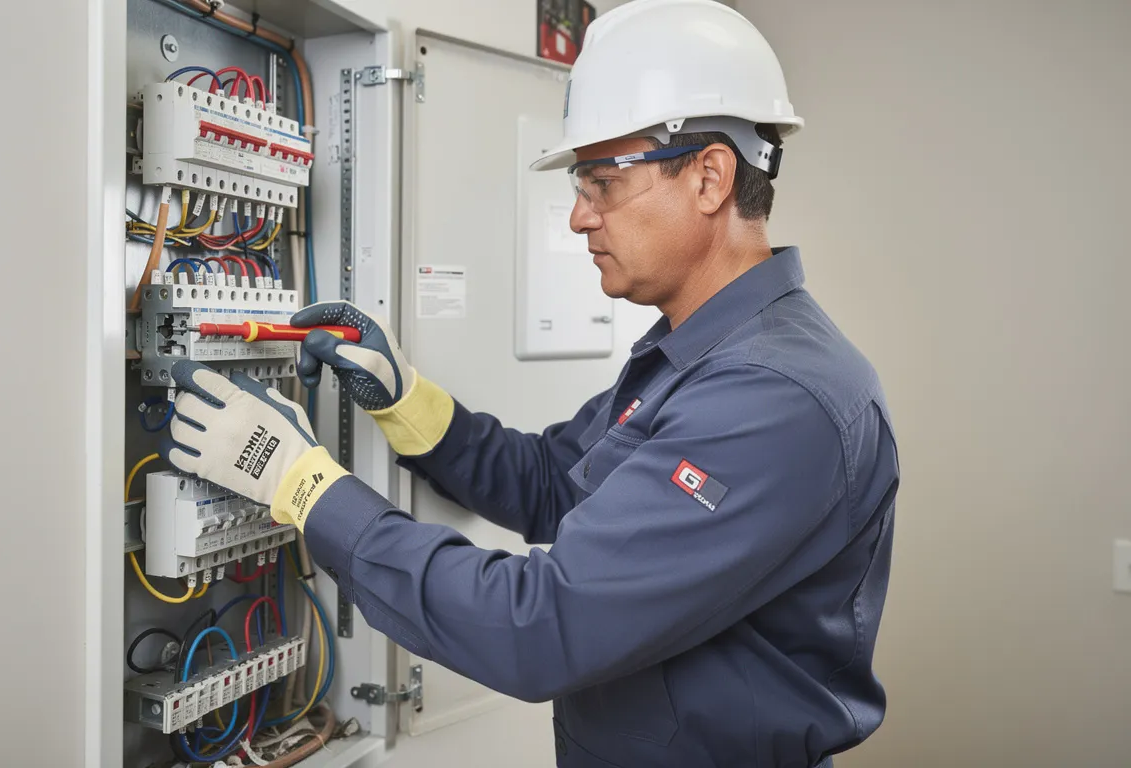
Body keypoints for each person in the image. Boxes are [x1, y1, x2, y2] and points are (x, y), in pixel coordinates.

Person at [162, 0, 899, 765]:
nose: (578, 217)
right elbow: (555, 482)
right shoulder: (697, 353)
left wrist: (300, 483)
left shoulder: (776, 397)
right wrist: (405, 399)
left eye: (601, 182)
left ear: (710, 176)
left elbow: (540, 627)